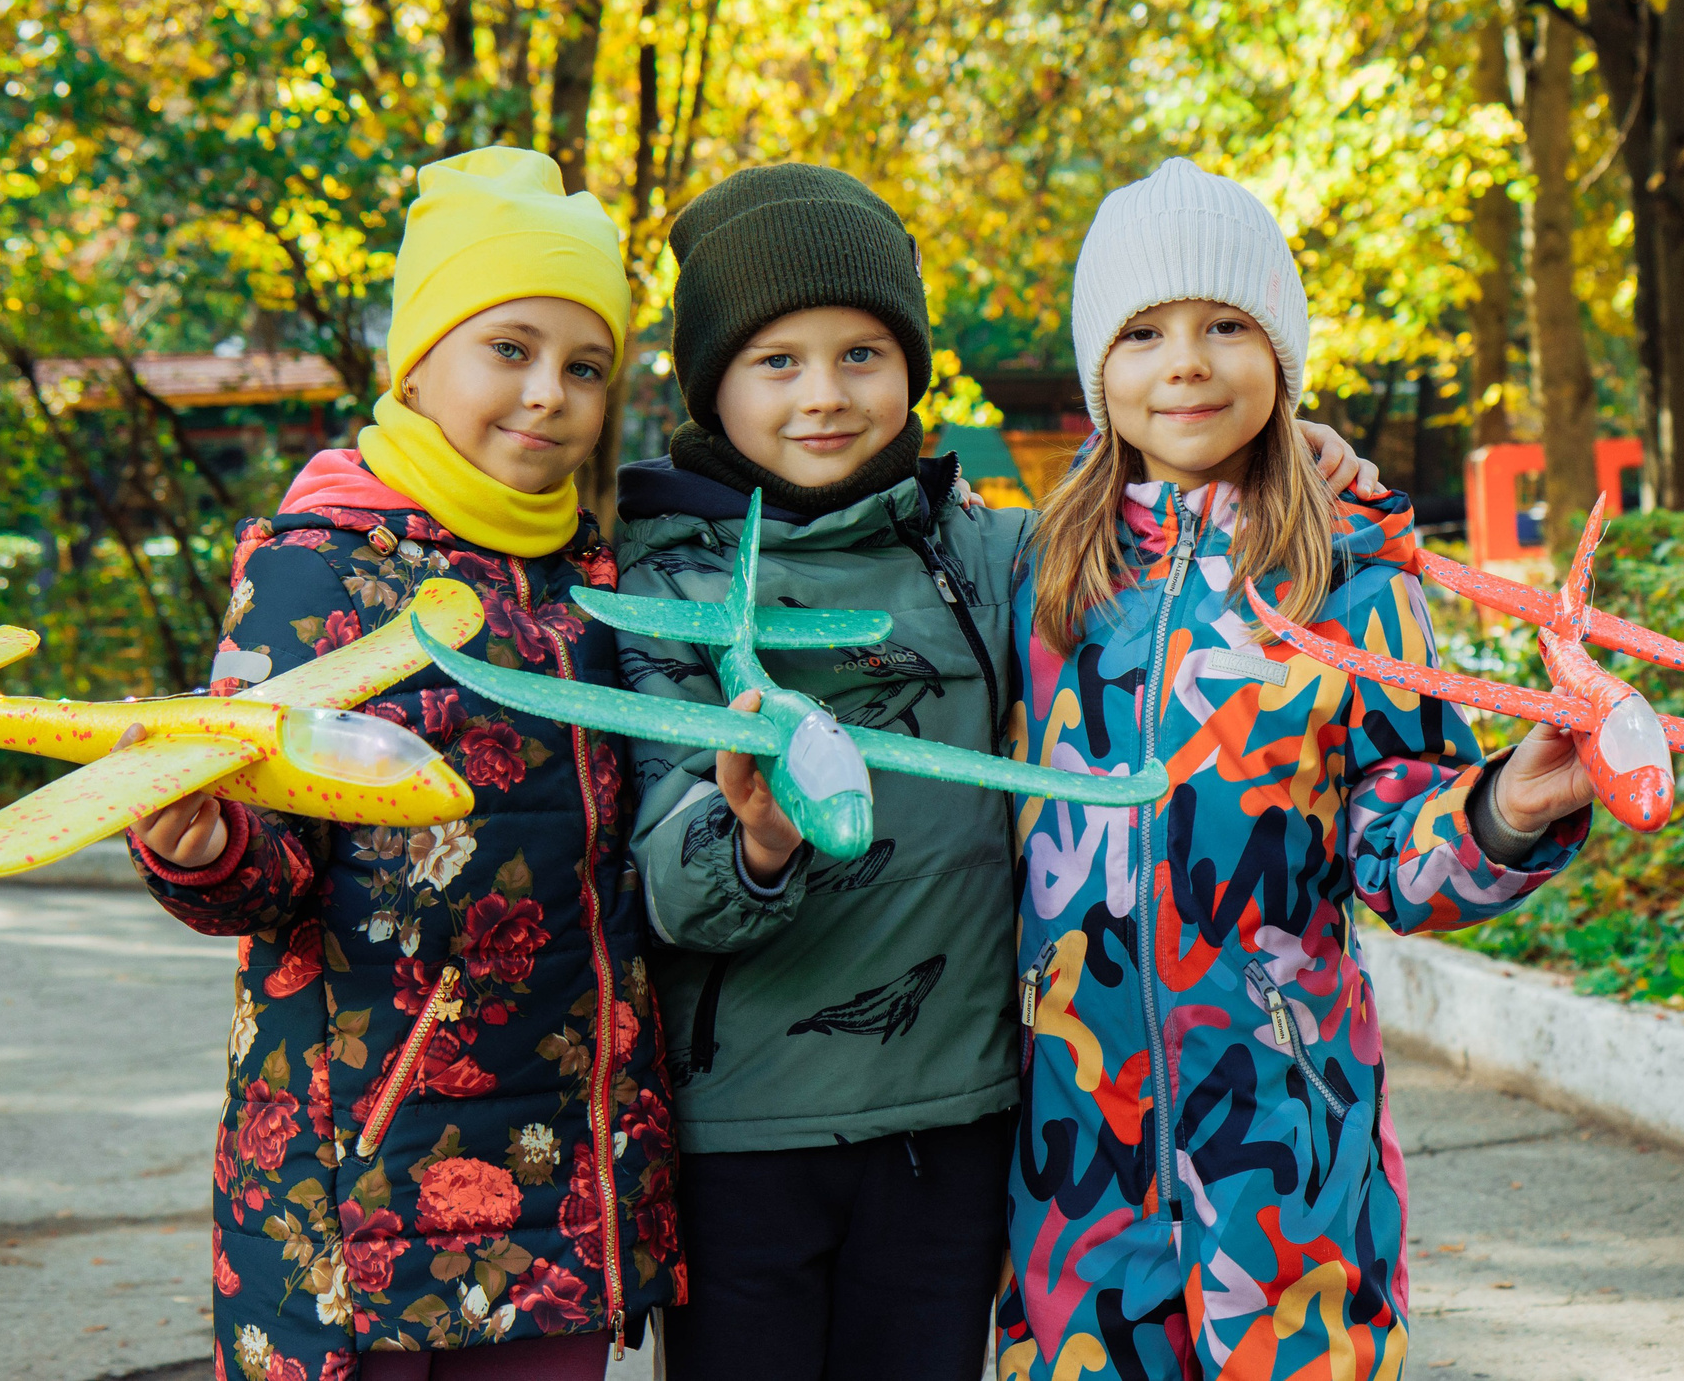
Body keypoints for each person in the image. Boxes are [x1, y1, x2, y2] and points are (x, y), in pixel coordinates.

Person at [612, 164, 1375, 1381]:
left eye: (862, 354)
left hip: (959, 1119)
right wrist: (751, 838)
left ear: (912, 366)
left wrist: (1291, 455)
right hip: (744, 1132)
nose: (824, 395)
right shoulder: (659, 574)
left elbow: (1161, 534)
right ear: (710, 383)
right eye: (777, 362)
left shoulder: (996, 549)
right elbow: (664, 873)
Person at [995, 158, 1594, 1380]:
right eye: (1144, 332)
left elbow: (1396, 846)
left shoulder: (1351, 583)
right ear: (1096, 370)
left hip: (1289, 1146)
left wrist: (1498, 815)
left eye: (1227, 326)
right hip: (1074, 1166)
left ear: (1282, 356)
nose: (1186, 363)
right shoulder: (1040, 576)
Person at [124, 148, 681, 1381]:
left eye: (584, 366)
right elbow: (263, 869)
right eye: (510, 349)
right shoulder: (319, 567)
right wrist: (200, 843)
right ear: (417, 361)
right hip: (361, 1167)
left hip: (561, 1164)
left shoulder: (594, 584)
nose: (548, 394)